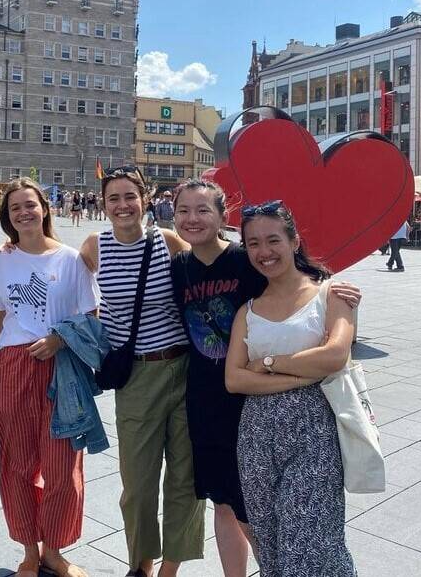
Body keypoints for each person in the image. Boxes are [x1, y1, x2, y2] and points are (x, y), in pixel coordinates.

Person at [169, 179, 361, 577]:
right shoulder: (178, 267)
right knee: (226, 503)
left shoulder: (246, 260)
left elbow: (293, 288)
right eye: (183, 211)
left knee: (278, 520)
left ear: (223, 217)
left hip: (258, 410)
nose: (192, 219)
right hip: (209, 401)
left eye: (203, 210)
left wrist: (332, 291)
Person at [78, 167, 204, 577]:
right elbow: (56, 270)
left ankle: (169, 568)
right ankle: (141, 563)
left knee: (185, 477)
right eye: (113, 198)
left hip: (183, 369)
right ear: (103, 203)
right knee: (137, 484)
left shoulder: (168, 242)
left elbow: (210, 267)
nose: (122, 205)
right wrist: (14, 247)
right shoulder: (95, 247)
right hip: (134, 376)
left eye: (129, 196)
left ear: (145, 198)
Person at [224, 201, 357, 576]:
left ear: (294, 241)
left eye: (272, 240)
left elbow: (334, 356)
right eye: (253, 244)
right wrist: (301, 371)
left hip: (314, 431)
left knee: (312, 543)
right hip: (256, 436)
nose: (264, 252)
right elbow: (234, 379)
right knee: (270, 543)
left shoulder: (332, 294)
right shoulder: (248, 310)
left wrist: (267, 364)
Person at [0, 177, 98, 577]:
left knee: (63, 464)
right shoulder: (1, 260)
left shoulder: (69, 259)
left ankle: (54, 548)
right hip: (13, 366)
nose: (24, 212)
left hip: (61, 366)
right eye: (15, 207)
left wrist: (59, 340)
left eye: (30, 204)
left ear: (45, 208)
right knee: (16, 462)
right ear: (8, 216)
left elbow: (91, 316)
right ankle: (29, 550)